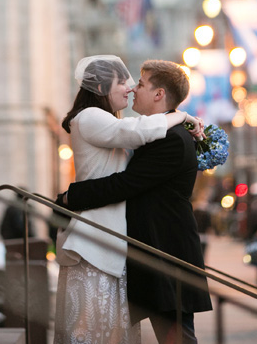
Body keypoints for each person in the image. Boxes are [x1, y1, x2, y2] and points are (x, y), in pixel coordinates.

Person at [57, 59, 212, 344]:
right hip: (149, 255)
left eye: (139, 84)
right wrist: (184, 116)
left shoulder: (171, 138)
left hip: (166, 256)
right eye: (126, 83)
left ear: (158, 94)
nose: (131, 89)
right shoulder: (149, 131)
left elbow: (125, 184)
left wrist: (71, 196)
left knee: (176, 338)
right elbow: (132, 133)